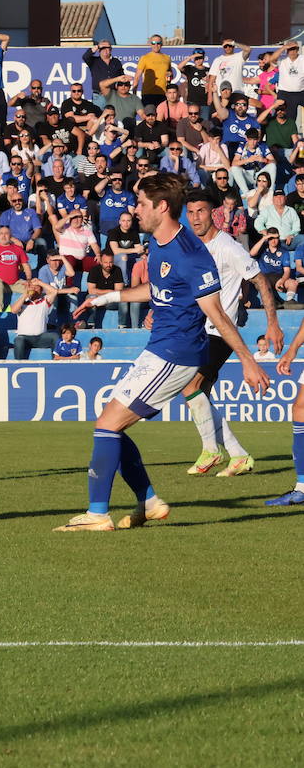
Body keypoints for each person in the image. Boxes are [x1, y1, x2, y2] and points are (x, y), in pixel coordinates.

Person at [59, 173, 269, 531]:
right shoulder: (158, 243)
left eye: (140, 203)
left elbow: (216, 314)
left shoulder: (191, 254)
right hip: (160, 349)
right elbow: (156, 289)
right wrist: (107, 297)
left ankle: (98, 515)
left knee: (107, 426)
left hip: (177, 355)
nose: (134, 209)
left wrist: (249, 361)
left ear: (161, 207)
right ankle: (150, 502)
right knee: (112, 426)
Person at [178, 191, 283, 477]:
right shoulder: (193, 247)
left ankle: (212, 450)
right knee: (200, 395)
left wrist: (272, 324)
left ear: (212, 213)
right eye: (190, 212)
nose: (195, 217)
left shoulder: (229, 247)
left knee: (189, 386)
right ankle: (238, 455)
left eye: (200, 211)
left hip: (221, 331)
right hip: (199, 329)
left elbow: (261, 280)